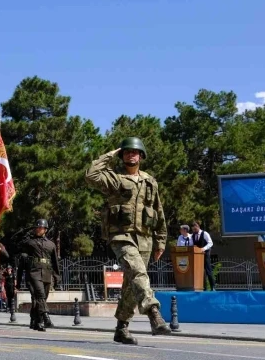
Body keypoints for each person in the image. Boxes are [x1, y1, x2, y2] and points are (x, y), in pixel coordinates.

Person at [85, 137, 171, 345]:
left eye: (135, 152)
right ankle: (154, 312)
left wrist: (160, 241)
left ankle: (121, 328)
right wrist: (111, 154)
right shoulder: (114, 179)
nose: (130, 155)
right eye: (126, 152)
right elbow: (91, 174)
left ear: (141, 156)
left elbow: (158, 212)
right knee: (138, 272)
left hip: (145, 239)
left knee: (131, 284)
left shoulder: (150, 181)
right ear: (122, 155)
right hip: (120, 236)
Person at [16, 219, 59, 331]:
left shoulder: (51, 245)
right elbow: (18, 247)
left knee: (41, 298)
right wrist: (18, 280)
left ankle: (36, 322)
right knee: (39, 295)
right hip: (34, 272)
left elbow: (55, 262)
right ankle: (46, 318)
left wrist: (57, 277)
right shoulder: (30, 243)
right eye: (37, 227)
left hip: (46, 273)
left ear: (45, 229)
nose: (38, 229)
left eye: (40, 228)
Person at [191, 222, 215, 290]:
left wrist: (203, 248)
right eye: (193, 230)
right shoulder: (193, 235)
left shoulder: (204, 233)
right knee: (200, 271)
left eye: (195, 229)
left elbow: (210, 243)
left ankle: (212, 287)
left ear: (198, 226)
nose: (194, 231)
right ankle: (204, 287)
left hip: (205, 254)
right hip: (197, 257)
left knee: (208, 270)